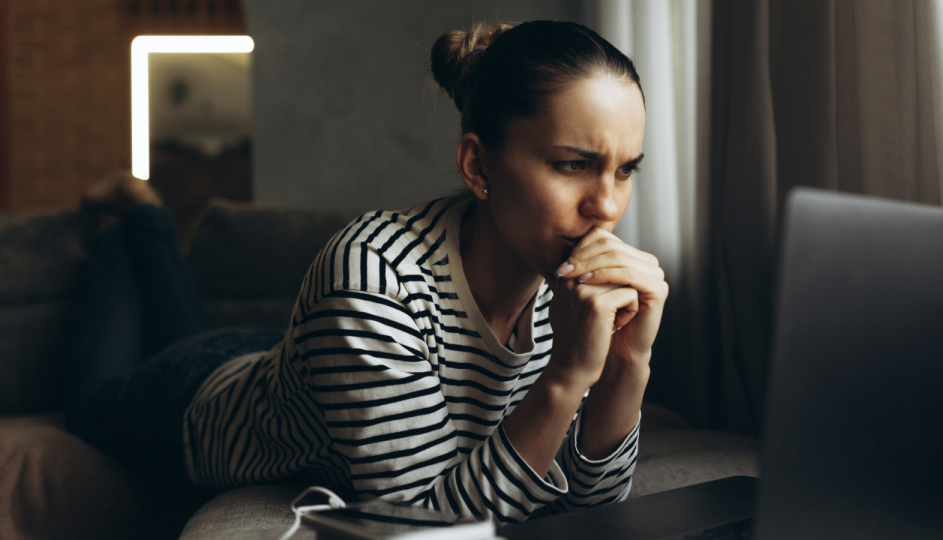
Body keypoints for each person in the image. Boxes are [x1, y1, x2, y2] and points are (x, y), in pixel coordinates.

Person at [66, 19, 666, 526]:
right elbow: (426, 527)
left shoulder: (566, 277)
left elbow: (595, 510)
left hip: (300, 362)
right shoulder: (372, 275)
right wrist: (564, 377)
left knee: (181, 327)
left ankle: (147, 221)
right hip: (192, 400)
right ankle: (133, 221)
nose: (607, 206)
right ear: (478, 164)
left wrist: (626, 364)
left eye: (624, 170)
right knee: (87, 400)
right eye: (572, 165)